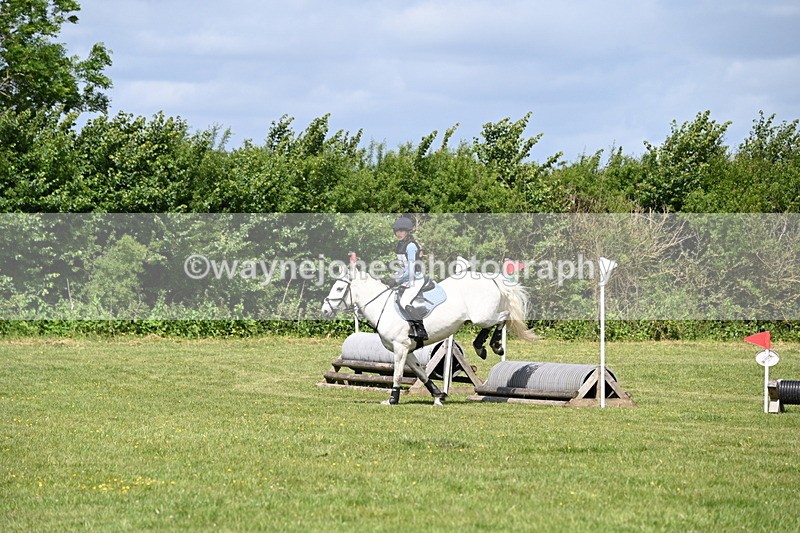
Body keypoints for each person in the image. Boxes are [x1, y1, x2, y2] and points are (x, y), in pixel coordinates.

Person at [391, 215, 428, 342]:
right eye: (397, 231)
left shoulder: (410, 246)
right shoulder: (399, 245)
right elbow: (402, 267)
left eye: (401, 231)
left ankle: (420, 329)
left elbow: (411, 270)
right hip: (407, 279)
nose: (399, 233)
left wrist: (397, 280)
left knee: (404, 301)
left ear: (407, 232)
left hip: (416, 279)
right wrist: (393, 277)